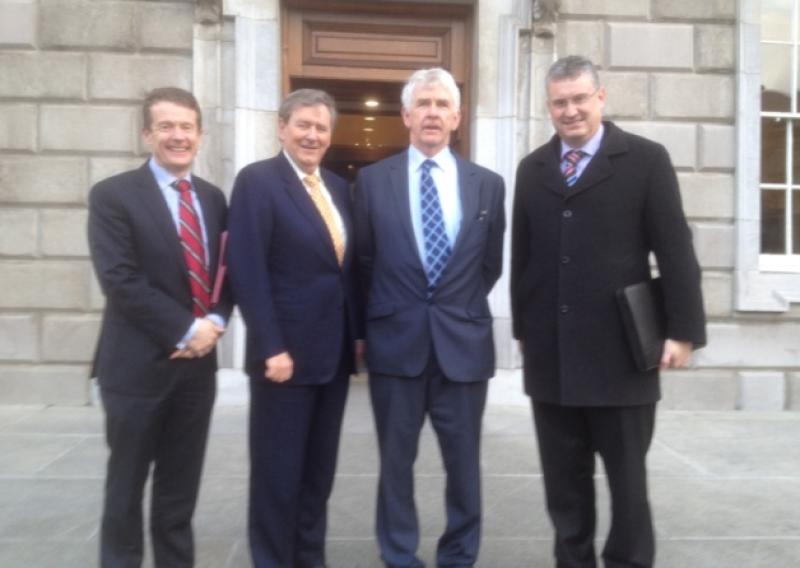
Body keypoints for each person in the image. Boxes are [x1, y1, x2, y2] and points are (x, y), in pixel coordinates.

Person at [510, 55, 707, 568]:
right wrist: (523, 329)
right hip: (552, 358)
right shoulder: (532, 169)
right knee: (564, 489)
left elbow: (675, 251)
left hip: (622, 357)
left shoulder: (646, 160)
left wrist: (683, 331)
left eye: (580, 98)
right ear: (548, 107)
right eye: (560, 102)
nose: (570, 110)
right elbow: (523, 256)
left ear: (600, 97)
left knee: (628, 488)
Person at [354, 67, 506, 568]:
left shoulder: (488, 185)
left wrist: (453, 309)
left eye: (443, 105)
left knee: (464, 467)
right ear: (405, 115)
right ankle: (399, 555)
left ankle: (459, 555)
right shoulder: (373, 182)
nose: (433, 114)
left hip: (462, 348)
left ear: (457, 117)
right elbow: (365, 261)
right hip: (396, 346)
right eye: (423, 104)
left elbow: (488, 265)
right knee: (395, 465)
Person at [88, 87, 232, 567]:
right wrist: (188, 330)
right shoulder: (112, 195)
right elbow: (119, 279)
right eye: (166, 126)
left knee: (179, 492)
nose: (178, 136)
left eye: (187, 127)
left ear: (200, 135)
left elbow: (226, 272)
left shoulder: (213, 199)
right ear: (147, 134)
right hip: (136, 369)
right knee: (125, 489)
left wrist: (214, 321)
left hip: (196, 373)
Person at [227, 89, 362, 568]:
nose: (312, 135)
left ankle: (309, 558)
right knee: (276, 476)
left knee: (317, 476)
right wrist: (271, 346)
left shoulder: (338, 187)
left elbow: (344, 271)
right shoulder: (258, 182)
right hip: (283, 360)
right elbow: (247, 269)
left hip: (332, 358)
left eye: (321, 127)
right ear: (281, 128)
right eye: (303, 124)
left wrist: (357, 337)